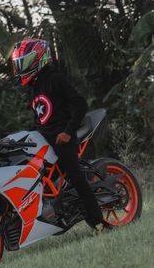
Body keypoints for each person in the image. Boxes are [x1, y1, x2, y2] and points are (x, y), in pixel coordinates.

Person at [12, 38, 110, 233]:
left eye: (24, 62)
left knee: (76, 178)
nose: (21, 67)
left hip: (63, 138)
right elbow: (41, 118)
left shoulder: (54, 78)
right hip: (45, 139)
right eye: (18, 63)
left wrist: (67, 131)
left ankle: (100, 223)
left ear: (38, 59)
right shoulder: (33, 86)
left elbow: (80, 104)